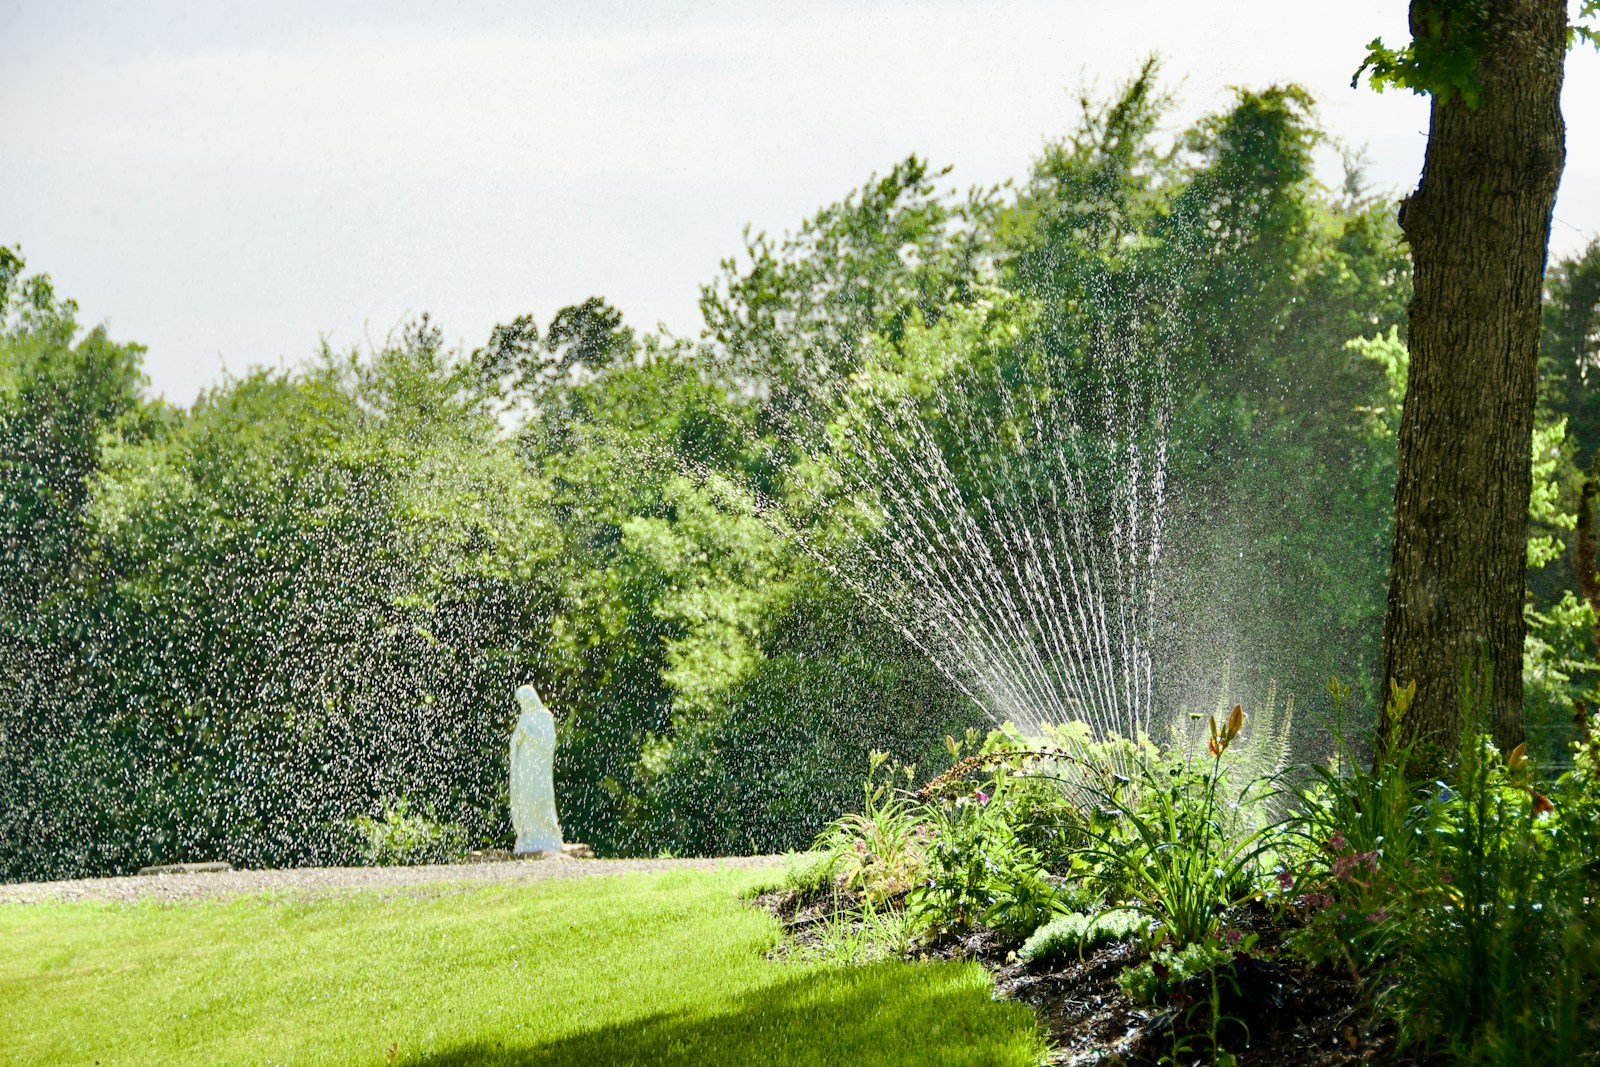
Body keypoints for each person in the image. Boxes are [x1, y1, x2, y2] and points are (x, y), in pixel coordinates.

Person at [509, 684, 563, 855]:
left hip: (538, 769)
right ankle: (530, 835)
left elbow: (548, 742)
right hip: (525, 767)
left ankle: (546, 835)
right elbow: (515, 741)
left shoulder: (544, 717)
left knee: (539, 799)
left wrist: (529, 734)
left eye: (524, 700)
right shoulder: (525, 717)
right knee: (525, 801)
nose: (522, 704)